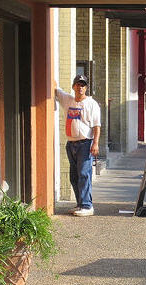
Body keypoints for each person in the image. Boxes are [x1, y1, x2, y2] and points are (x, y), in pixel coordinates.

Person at [55, 74, 101, 217]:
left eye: (83, 85)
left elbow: (96, 126)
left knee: (84, 174)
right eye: (78, 84)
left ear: (86, 88)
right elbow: (56, 89)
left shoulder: (91, 104)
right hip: (71, 144)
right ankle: (80, 204)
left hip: (85, 144)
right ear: (74, 86)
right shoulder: (68, 100)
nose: (80, 87)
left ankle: (87, 205)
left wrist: (96, 144)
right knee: (74, 176)